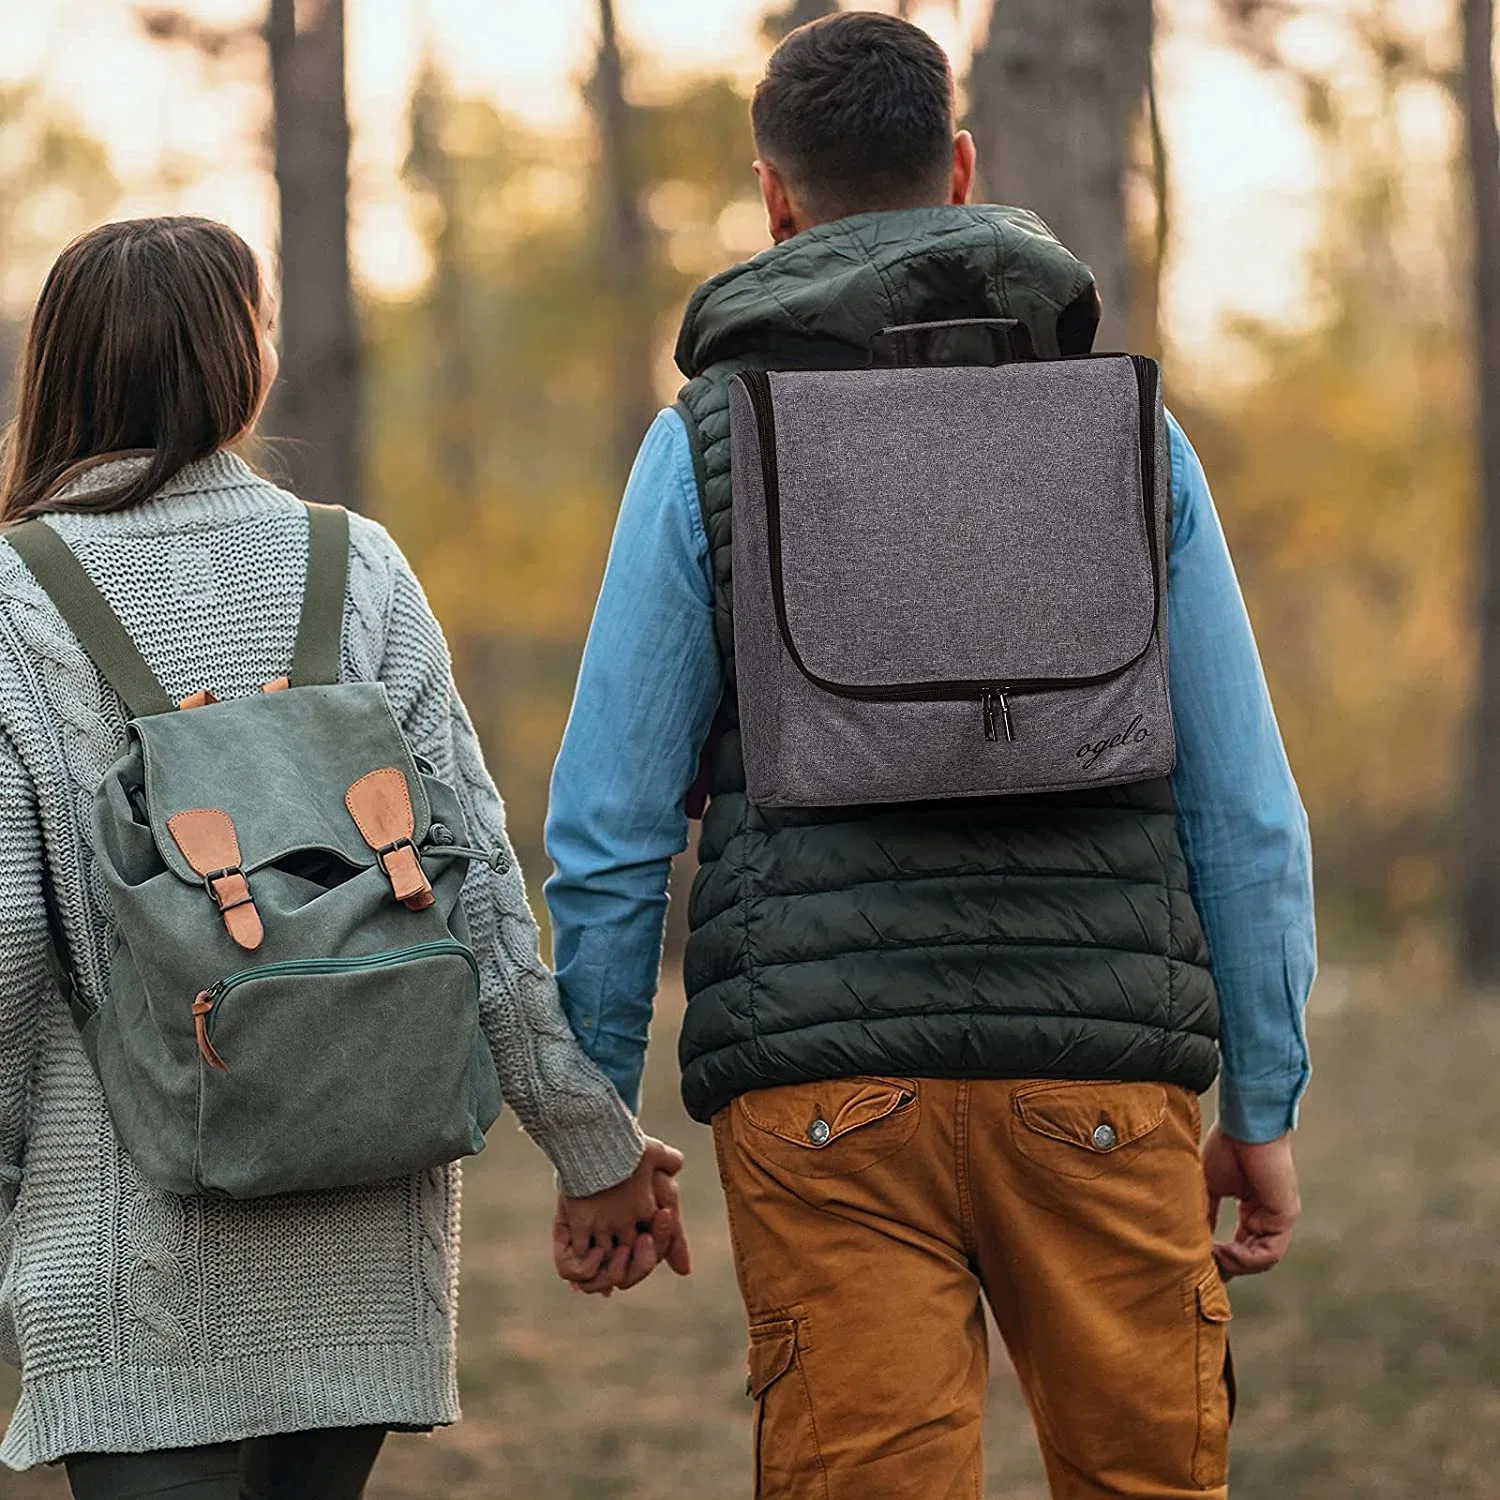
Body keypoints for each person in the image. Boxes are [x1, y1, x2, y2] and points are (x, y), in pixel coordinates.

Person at [546, 13, 1315, 1499]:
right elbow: (1246, 809)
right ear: (961, 168)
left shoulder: (708, 444)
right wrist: (1263, 1102)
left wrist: (597, 1129)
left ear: (775, 198)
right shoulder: (1132, 437)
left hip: (825, 1097)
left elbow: (611, 824)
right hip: (1098, 1081)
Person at [0, 215, 686, 1499]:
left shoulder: (14, 600)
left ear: (63, 367)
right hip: (363, 1222)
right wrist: (592, 1147)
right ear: (243, 360)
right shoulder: (352, 564)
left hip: (124, 1236)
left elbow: (1, 948)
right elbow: (474, 885)